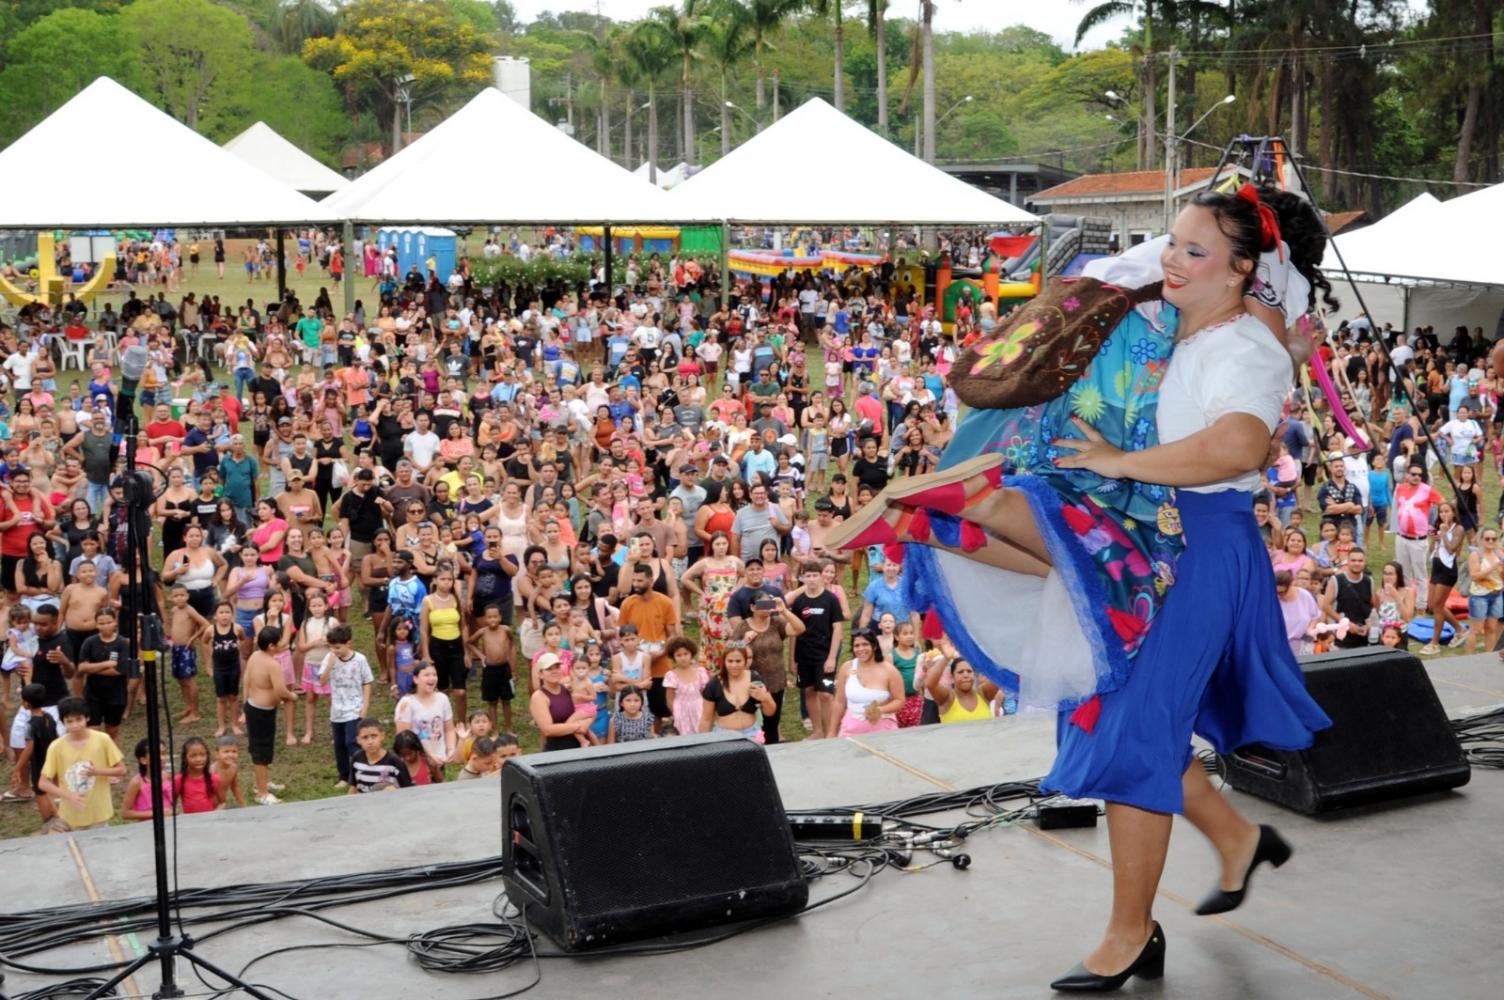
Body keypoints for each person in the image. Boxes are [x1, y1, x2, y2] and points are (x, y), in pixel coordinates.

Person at [38, 696, 126, 831]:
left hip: (99, 810)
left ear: (87, 718)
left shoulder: (102, 739)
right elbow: (43, 783)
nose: (75, 725)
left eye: (79, 719)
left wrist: (97, 772)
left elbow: (121, 770)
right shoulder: (56, 747)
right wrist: (69, 796)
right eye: (69, 721)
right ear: (63, 722)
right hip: (72, 813)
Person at [788, 560, 845, 739]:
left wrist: (832, 658)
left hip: (824, 655)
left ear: (821, 577)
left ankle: (831, 732)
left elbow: (837, 629)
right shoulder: (799, 601)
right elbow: (794, 632)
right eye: (808, 576)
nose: (811, 579)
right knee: (809, 691)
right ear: (803, 578)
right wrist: (792, 659)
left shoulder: (830, 599)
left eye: (814, 575)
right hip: (804, 656)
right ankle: (817, 731)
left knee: (826, 694)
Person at [243, 624, 297, 806]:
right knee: (261, 751)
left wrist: (244, 704)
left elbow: (246, 680)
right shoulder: (272, 664)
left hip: (253, 707)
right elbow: (281, 691)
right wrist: (292, 696)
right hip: (261, 712)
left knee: (261, 749)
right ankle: (262, 793)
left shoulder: (254, 656)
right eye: (280, 641)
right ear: (272, 646)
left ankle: (262, 783)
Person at [317, 623, 373, 789]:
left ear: (349, 643)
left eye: (338, 647)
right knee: (339, 744)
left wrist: (365, 705)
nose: (334, 651)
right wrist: (330, 665)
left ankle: (362, 773)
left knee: (351, 741)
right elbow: (322, 681)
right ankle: (344, 776)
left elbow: (367, 682)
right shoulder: (329, 658)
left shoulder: (360, 659)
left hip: (354, 708)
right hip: (337, 710)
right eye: (331, 647)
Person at [827, 628, 905, 737]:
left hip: (883, 731)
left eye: (865, 644)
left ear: (874, 646)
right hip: (851, 729)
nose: (861, 649)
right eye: (857, 646)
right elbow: (839, 702)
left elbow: (900, 700)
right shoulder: (846, 668)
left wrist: (880, 710)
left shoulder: (890, 670)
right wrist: (831, 732)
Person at [1420, 502, 1468, 655]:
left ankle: (1434, 643)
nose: (1444, 515)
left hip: (1447, 571)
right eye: (1441, 512)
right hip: (1436, 568)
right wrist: (1435, 540)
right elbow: (1433, 550)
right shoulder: (1440, 527)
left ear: (1453, 513)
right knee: (1433, 605)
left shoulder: (1458, 529)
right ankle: (1460, 629)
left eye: (1447, 511)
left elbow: (1451, 548)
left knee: (1438, 607)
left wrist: (1443, 534)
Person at [350, 717, 414, 793]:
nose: (370, 742)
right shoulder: (356, 759)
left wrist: (395, 790)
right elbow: (354, 787)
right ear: (358, 740)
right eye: (365, 737)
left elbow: (408, 790)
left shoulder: (395, 762)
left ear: (382, 736)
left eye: (374, 736)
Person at [1466, 528, 1504, 655]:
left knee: (1492, 628)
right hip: (1479, 596)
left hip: (1497, 595)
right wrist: (1493, 567)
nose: (1491, 541)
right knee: (1476, 630)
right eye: (1487, 538)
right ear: (1481, 540)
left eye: (1494, 539)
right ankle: (1468, 659)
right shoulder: (1476, 555)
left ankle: (1488, 657)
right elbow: (1474, 576)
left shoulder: (1499, 554)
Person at [175, 736, 224, 813]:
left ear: (207, 756)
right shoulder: (179, 779)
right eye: (193, 756)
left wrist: (214, 815)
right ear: (185, 758)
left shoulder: (214, 779)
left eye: (202, 755)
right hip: (190, 823)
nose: (199, 759)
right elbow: (171, 805)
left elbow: (222, 803)